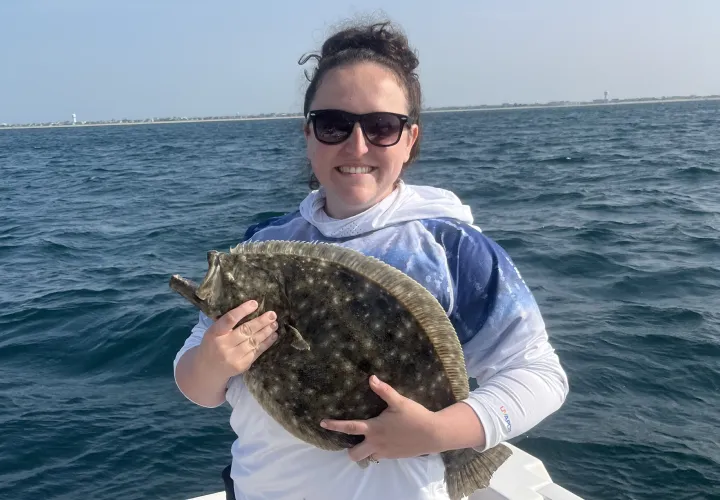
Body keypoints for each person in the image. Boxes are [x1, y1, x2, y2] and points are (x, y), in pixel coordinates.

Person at [173, 19, 569, 500]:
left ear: (409, 139)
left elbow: (541, 374)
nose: (356, 145)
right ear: (308, 133)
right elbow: (196, 384)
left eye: (381, 126)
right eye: (334, 124)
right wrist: (212, 363)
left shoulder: (451, 248)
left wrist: (442, 433)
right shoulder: (261, 245)